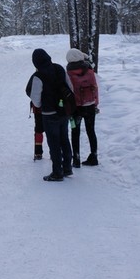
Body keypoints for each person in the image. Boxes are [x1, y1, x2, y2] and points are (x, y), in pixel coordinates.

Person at [27, 48, 72, 181]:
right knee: (64, 139)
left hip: (49, 113)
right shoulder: (59, 68)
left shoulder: (38, 75)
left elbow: (35, 98)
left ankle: (57, 172)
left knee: (54, 142)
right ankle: (67, 167)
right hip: (63, 111)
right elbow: (70, 87)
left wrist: (41, 106)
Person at [66, 48, 100, 167]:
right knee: (91, 131)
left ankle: (76, 158)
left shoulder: (69, 73)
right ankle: (94, 156)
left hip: (76, 108)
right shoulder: (89, 70)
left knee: (75, 132)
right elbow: (95, 87)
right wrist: (96, 103)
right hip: (90, 105)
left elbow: (68, 91)